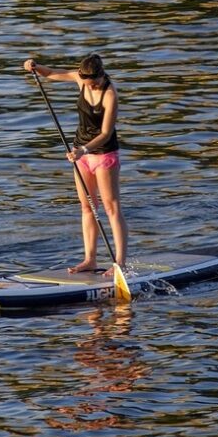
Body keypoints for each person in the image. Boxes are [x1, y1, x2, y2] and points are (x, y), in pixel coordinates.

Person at [23, 53, 128, 273]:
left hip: (103, 154)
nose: (92, 87)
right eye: (88, 84)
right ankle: (90, 259)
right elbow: (51, 73)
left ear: (100, 77)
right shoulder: (81, 79)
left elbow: (107, 133)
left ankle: (119, 262)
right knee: (87, 207)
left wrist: (84, 150)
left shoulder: (110, 94)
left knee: (111, 207)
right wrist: (35, 66)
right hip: (80, 154)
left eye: (95, 83)